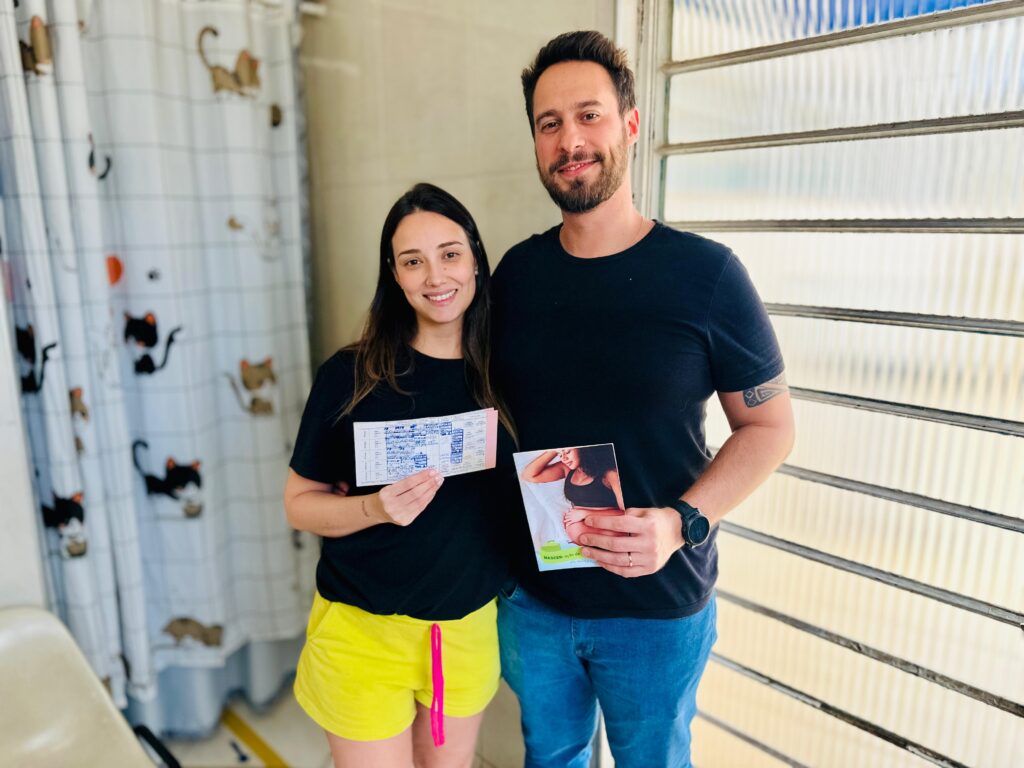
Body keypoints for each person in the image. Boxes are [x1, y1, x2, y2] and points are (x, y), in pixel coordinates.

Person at [491, 31, 796, 768]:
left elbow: (770, 426)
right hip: (534, 603)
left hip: (655, 610)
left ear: (630, 124)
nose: (571, 141)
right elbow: (484, 412)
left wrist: (682, 521)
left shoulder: (707, 275)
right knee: (551, 757)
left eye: (589, 115)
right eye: (549, 123)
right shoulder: (516, 275)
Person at [284, 183, 515, 768]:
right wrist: (374, 509)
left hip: (463, 631)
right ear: (394, 274)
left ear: (476, 258)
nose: (435, 276)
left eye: (450, 253)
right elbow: (299, 504)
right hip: (362, 633)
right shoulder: (352, 375)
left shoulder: (509, 373)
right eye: (413, 261)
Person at [521, 445, 623, 544]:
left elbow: (627, 513)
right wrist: (553, 450)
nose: (564, 458)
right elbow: (529, 475)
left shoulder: (610, 474)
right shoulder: (567, 469)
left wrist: (586, 513)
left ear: (582, 449)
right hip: (590, 543)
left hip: (613, 537)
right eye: (560, 455)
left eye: (568, 452)